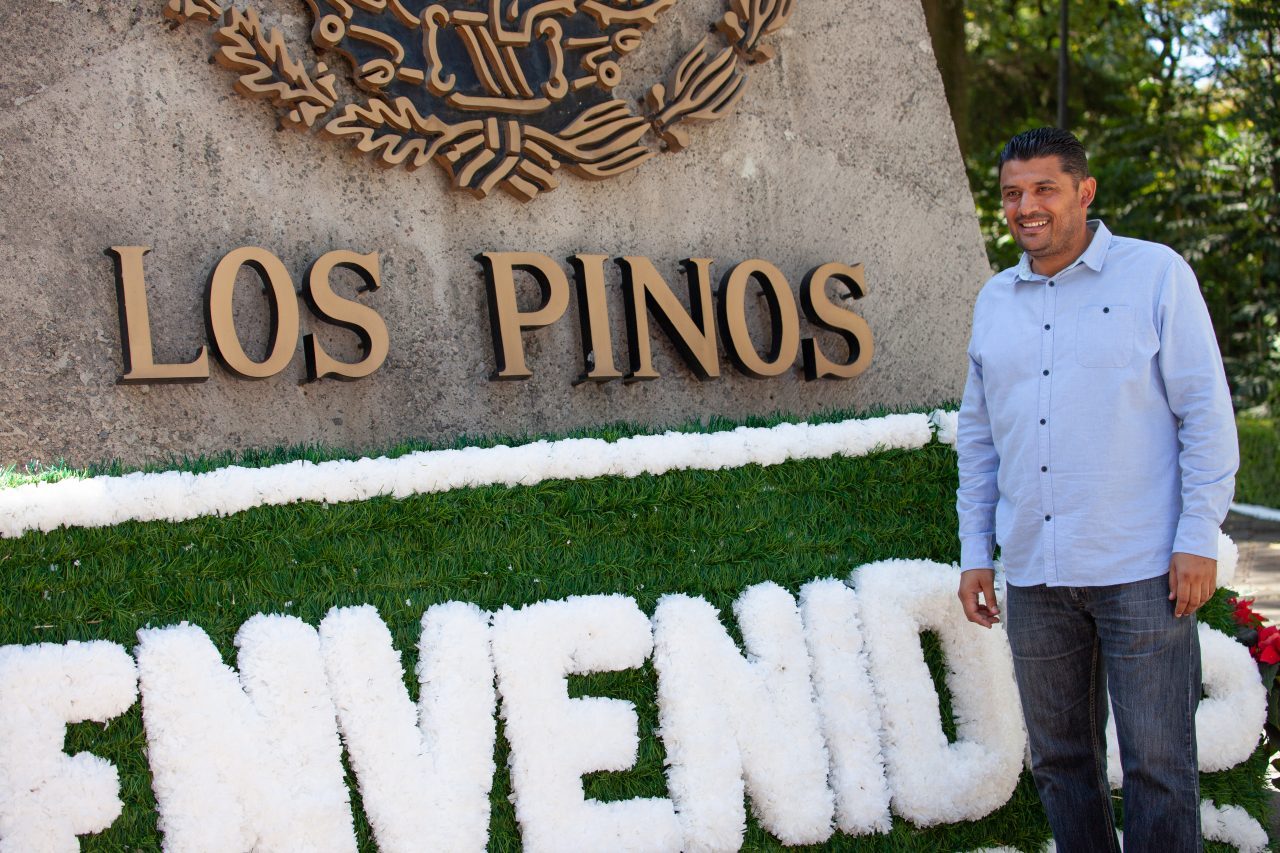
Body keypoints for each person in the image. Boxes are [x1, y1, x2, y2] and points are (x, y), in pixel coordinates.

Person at [955, 127, 1238, 850]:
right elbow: (981, 438)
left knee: (1160, 765)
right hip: (1037, 575)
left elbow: (1205, 413)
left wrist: (1196, 537)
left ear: (1084, 192)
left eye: (1044, 188)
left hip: (1142, 568)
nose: (1027, 207)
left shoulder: (1155, 274)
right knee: (1059, 761)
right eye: (1013, 193)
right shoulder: (995, 299)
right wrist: (975, 553)